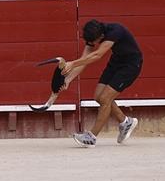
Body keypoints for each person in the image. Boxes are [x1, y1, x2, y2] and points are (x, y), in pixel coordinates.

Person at [61, 19, 142, 147]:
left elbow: (97, 55)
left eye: (95, 42)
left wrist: (72, 63)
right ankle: (125, 122)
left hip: (130, 65)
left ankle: (91, 137)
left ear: (102, 37)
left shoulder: (115, 31)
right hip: (116, 63)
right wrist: (68, 80)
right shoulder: (94, 34)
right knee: (98, 96)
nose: (93, 44)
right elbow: (85, 60)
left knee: (105, 99)